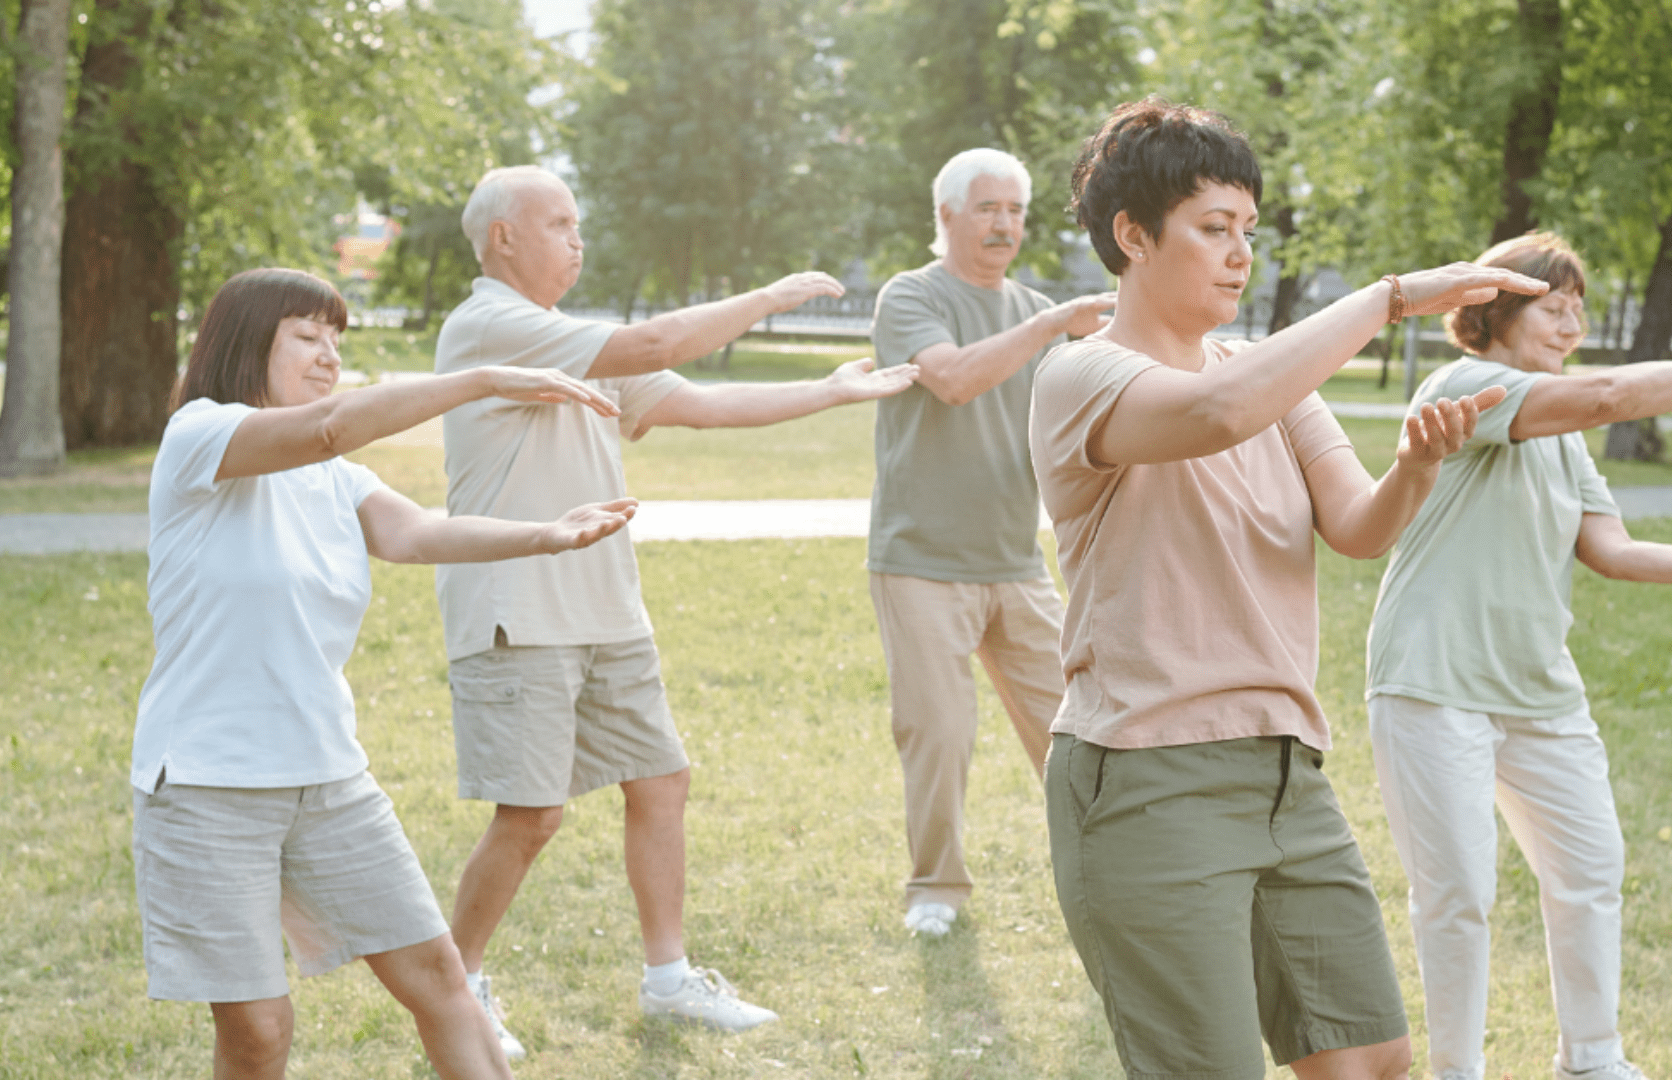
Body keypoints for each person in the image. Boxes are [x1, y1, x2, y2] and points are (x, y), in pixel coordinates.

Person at [1030, 98, 1552, 1080]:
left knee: (1371, 1062)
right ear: (1131, 236)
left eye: (1250, 232)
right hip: (1148, 778)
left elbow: (1356, 527)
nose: (1240, 255)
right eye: (1214, 230)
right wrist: (1390, 297)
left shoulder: (1272, 380)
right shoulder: (1080, 377)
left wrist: (1415, 469)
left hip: (1287, 772)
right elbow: (1218, 413)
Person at [433, 165, 918, 1056]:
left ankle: (668, 981)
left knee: (660, 782)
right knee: (531, 816)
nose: (578, 240)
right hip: (519, 609)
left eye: (580, 224)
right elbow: (656, 343)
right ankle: (452, 991)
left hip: (607, 607)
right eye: (560, 224)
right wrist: (767, 296)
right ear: (503, 237)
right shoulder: (487, 324)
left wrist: (830, 392)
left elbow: (695, 403)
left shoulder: (566, 337)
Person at [1363, 231, 1672, 1080]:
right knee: (1458, 897)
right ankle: (1457, 1072)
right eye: (1552, 307)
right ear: (1492, 312)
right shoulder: (1467, 387)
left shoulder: (1564, 436)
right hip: (1433, 679)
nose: (1572, 323)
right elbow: (1612, 394)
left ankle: (1592, 1061)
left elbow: (1615, 550)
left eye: (1577, 309)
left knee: (1591, 869)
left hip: (1537, 693)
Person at [132, 267, 639, 1080]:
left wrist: (543, 534)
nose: (329, 356)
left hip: (329, 778)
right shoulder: (201, 435)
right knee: (260, 1030)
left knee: (441, 979)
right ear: (242, 342)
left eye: (338, 340)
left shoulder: (335, 478)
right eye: (307, 336)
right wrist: (479, 376)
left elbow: (417, 534)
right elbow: (331, 426)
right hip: (205, 782)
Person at [867, 147, 1115, 938]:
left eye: (1015, 209)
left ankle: (1110, 881)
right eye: (987, 208)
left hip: (1016, 561)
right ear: (946, 217)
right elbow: (953, 379)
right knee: (938, 733)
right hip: (921, 564)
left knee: (1077, 732)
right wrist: (1047, 325)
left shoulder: (1043, 311)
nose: (1005, 223)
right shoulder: (911, 296)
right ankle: (935, 887)